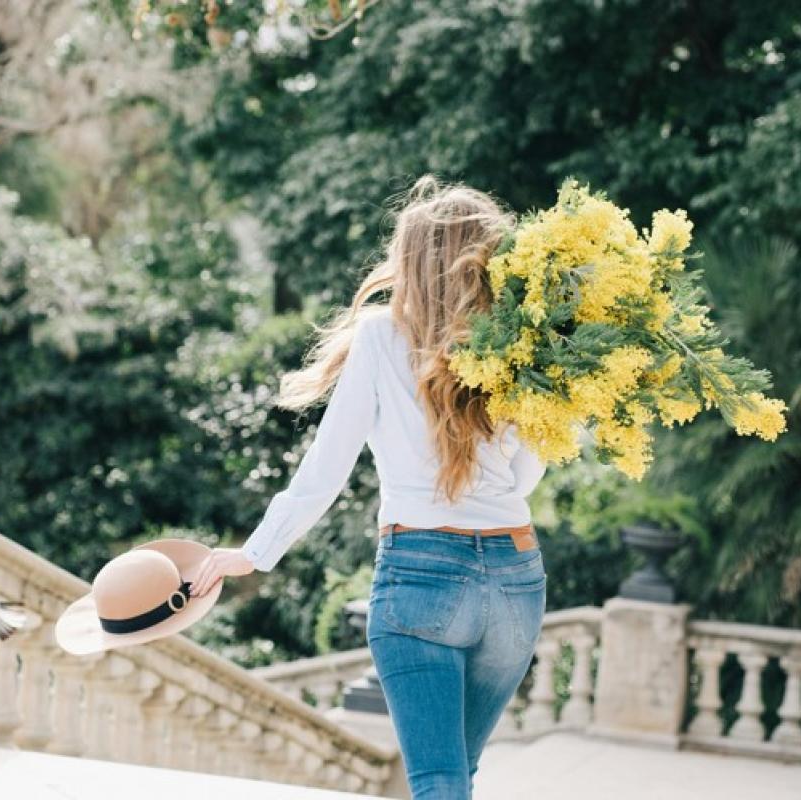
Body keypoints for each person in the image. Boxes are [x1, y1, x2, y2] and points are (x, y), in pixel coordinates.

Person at [190, 175, 548, 799]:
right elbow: (524, 475)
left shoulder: (382, 337)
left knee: (441, 783)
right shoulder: (525, 343)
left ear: (408, 260)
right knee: (455, 777)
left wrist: (255, 553)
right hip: (516, 580)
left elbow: (326, 468)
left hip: (421, 578)